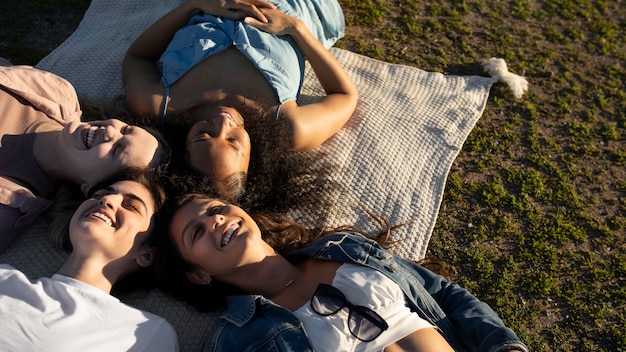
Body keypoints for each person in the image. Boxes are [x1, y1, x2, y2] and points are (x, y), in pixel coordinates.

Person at [156, 193, 529, 352]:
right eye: (197, 232)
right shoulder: (238, 338)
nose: (216, 220)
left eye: (215, 209)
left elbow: (445, 294)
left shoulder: (345, 249)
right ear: (198, 275)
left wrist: (506, 346)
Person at [123, 0, 357, 200]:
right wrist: (296, 28)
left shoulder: (158, 102)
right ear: (252, 160)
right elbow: (344, 96)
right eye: (233, 140)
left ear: (183, 148)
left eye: (204, 135)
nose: (223, 122)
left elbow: (138, 57)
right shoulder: (287, 126)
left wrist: (195, 5)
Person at [0, 168, 179, 351]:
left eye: (131, 206)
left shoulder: (145, 333)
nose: (106, 200)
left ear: (147, 254)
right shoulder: (4, 278)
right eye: (98, 194)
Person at [0, 63, 170, 251]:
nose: (111, 131)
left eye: (116, 151)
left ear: (93, 189)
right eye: (126, 129)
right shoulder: (58, 94)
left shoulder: (8, 208)